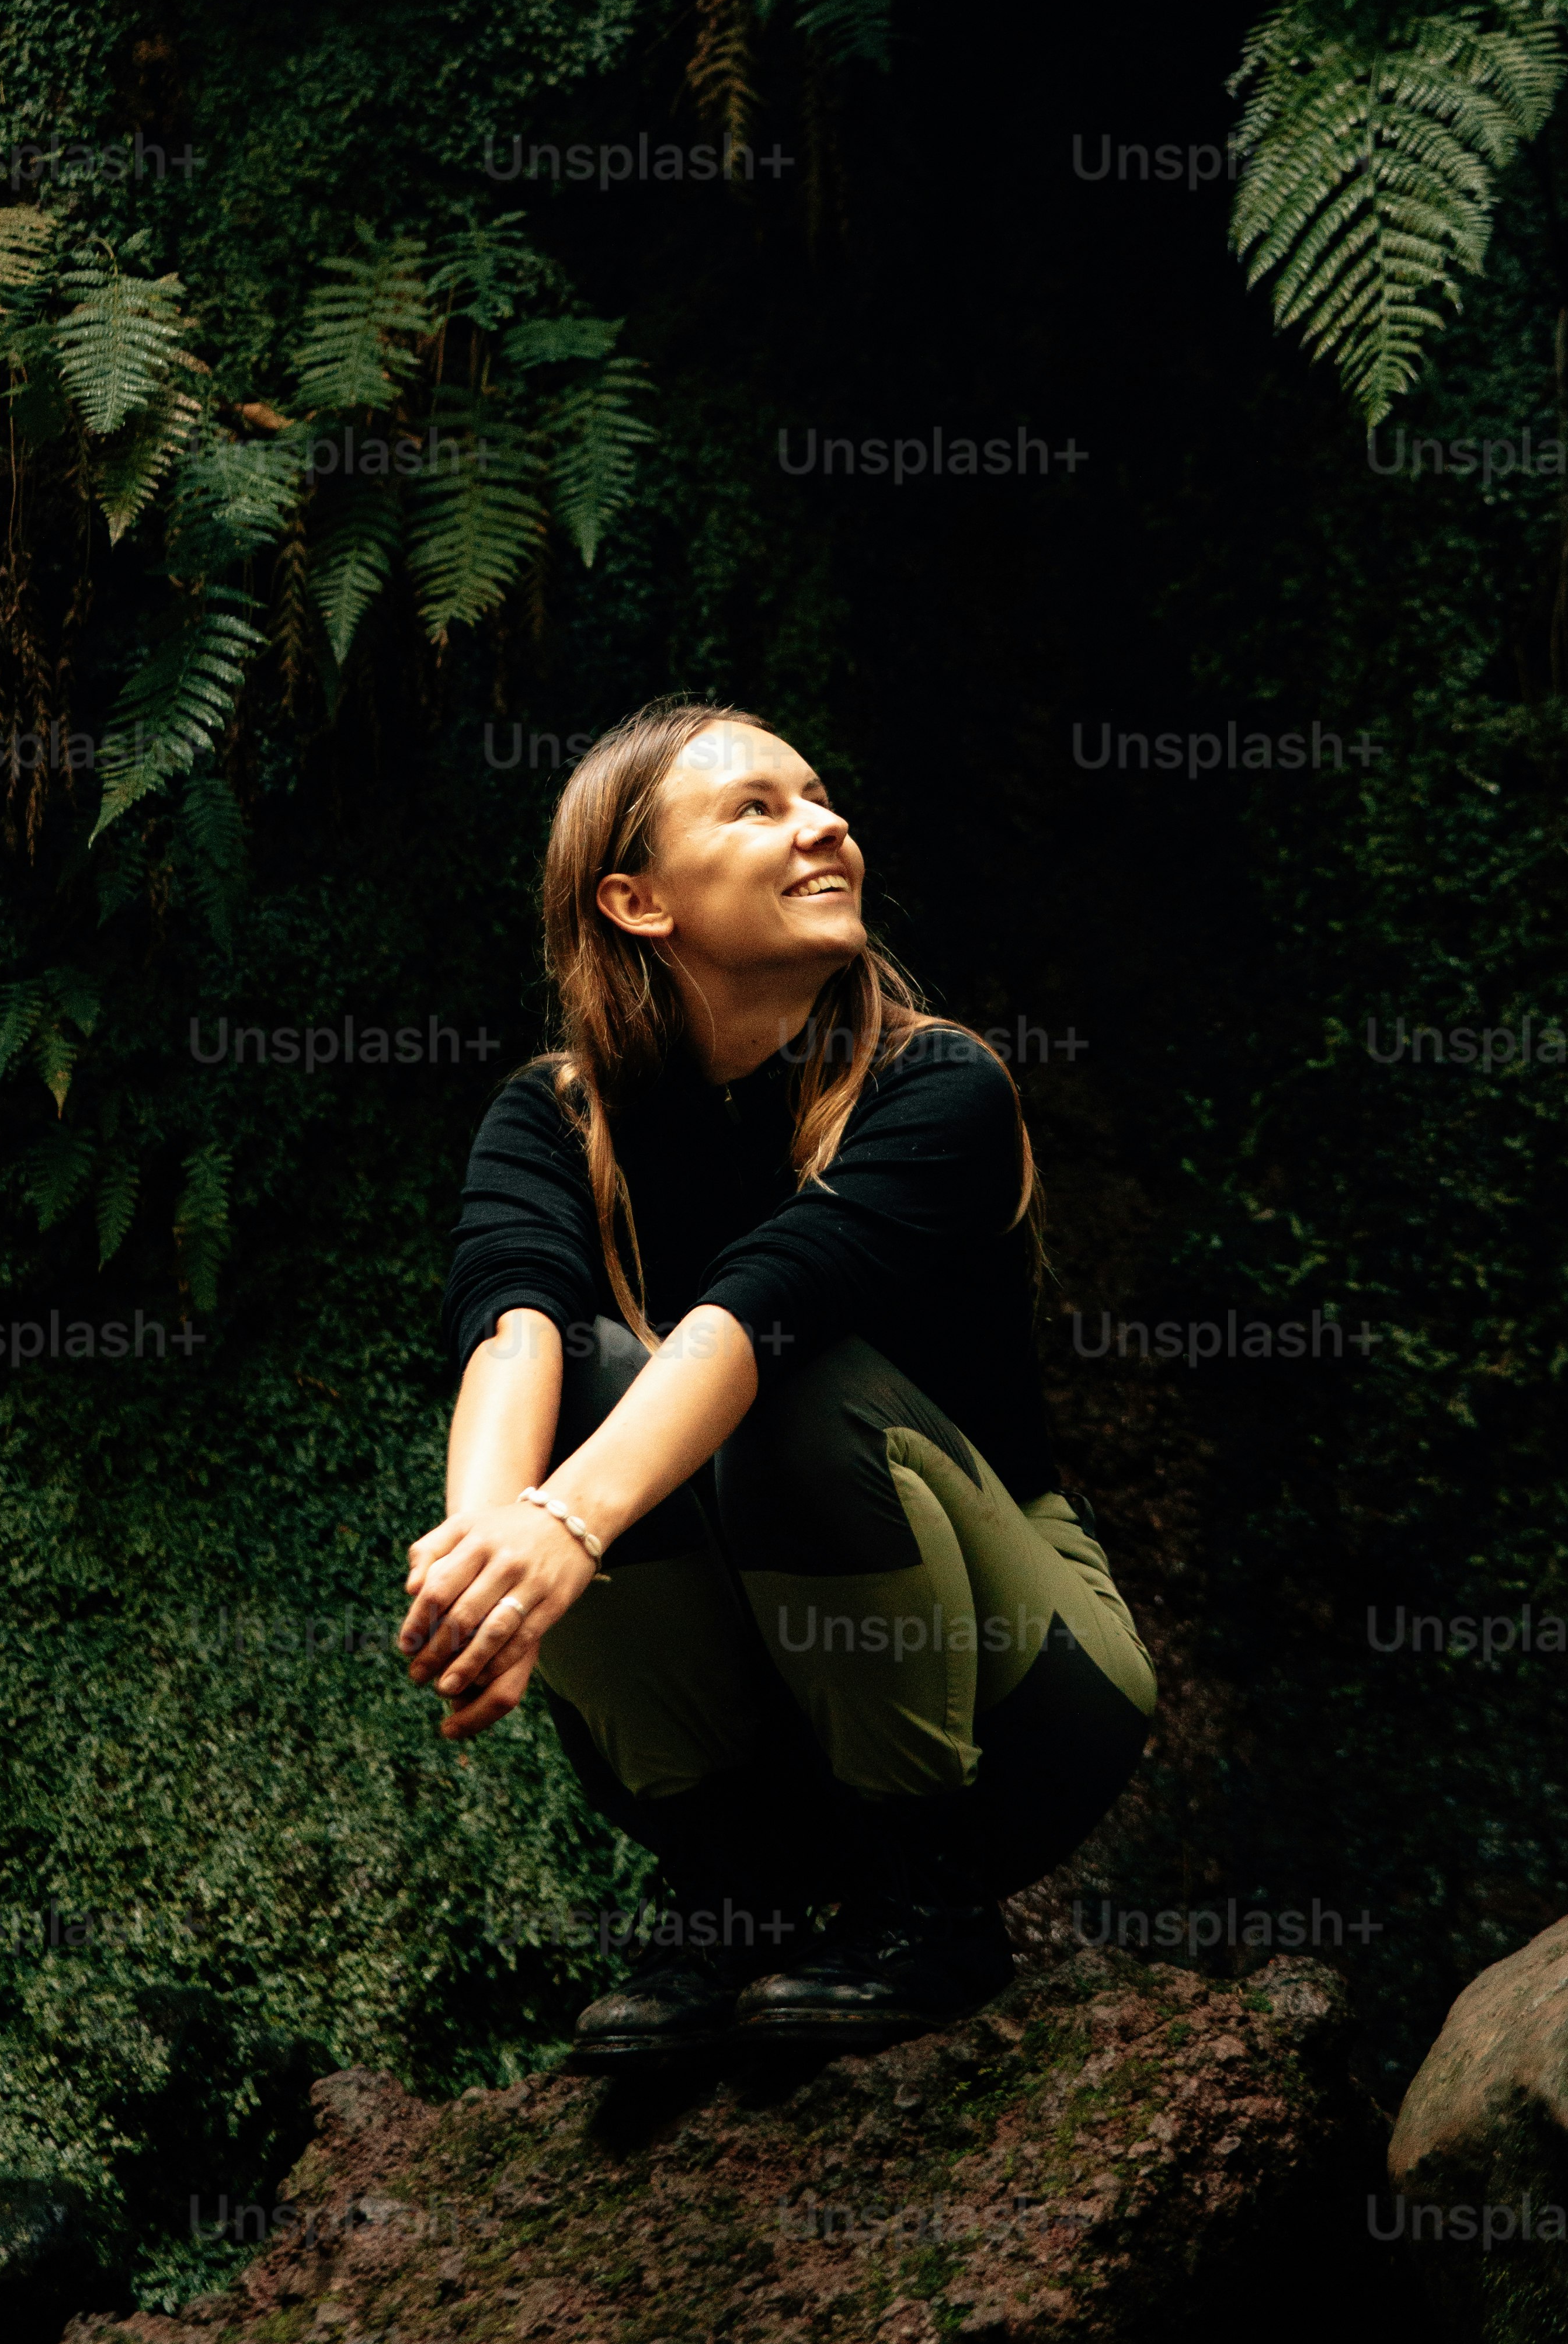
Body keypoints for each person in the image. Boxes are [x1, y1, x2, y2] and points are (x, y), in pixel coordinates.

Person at [398, 694, 1157, 2061]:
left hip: (1028, 1703)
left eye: (821, 800)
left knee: (788, 1380)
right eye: (757, 808)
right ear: (636, 902)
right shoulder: (555, 1113)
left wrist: (569, 1524)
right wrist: (482, 1561)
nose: (825, 827)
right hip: (761, 1726)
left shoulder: (939, 1088)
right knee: (580, 1375)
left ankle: (925, 1904)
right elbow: (513, 1326)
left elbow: (762, 1311)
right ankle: (729, 1893)